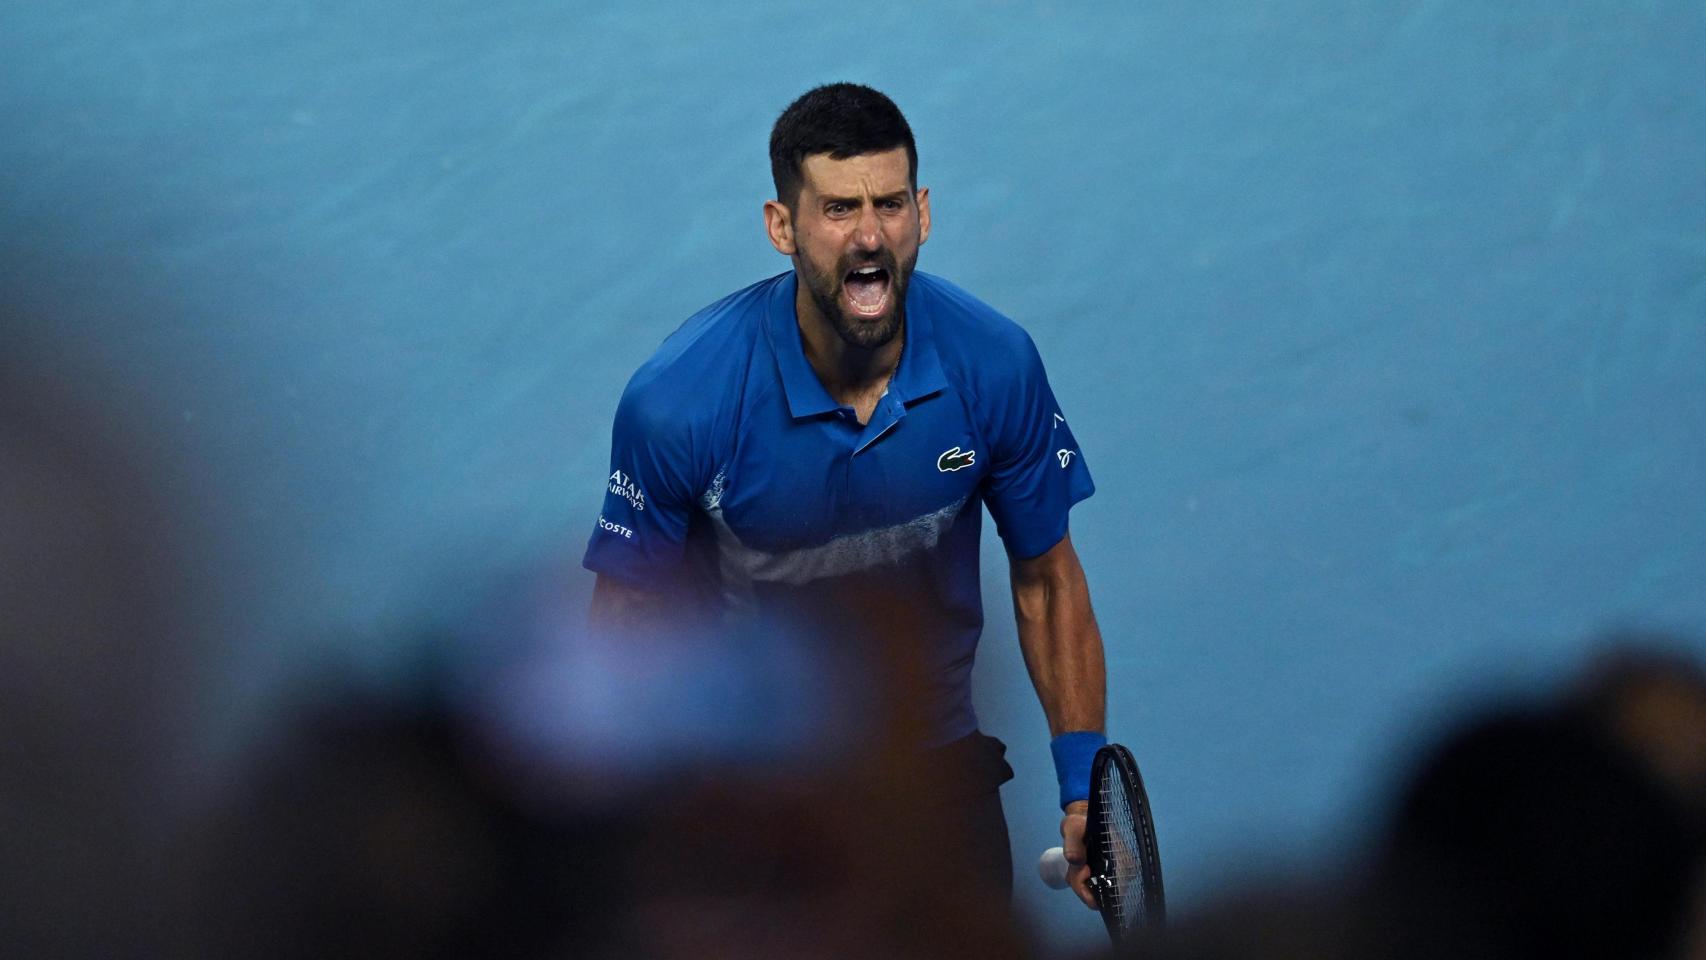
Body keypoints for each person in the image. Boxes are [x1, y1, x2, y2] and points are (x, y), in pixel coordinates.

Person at [582, 82, 1108, 908]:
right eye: (837, 209)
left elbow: (1045, 576)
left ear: (923, 213)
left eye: (890, 203)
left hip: (932, 769)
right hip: (754, 790)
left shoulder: (995, 364)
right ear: (781, 227)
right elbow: (627, 625)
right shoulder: (682, 401)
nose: (870, 235)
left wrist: (1083, 786)